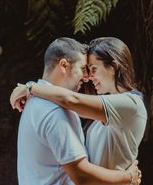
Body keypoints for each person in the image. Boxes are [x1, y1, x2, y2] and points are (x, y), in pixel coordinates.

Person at [15, 37, 141, 185]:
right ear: (64, 65)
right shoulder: (57, 111)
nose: (87, 77)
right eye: (83, 69)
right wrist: (129, 177)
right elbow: (82, 176)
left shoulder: (33, 102)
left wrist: (30, 87)